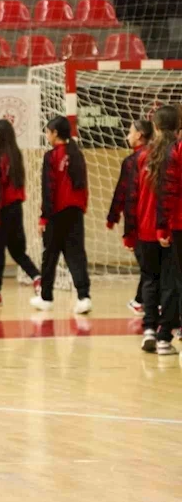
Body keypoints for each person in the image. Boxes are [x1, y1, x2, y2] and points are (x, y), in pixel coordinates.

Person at [124, 108, 180, 355]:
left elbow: (131, 196)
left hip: (146, 228)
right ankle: (165, 335)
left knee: (149, 279)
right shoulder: (175, 152)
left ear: (155, 128)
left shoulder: (141, 157)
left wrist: (129, 232)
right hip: (171, 227)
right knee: (171, 282)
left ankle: (149, 329)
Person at [30, 116, 92, 314]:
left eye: (48, 132)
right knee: (76, 255)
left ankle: (46, 298)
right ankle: (84, 297)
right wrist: (82, 207)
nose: (47, 136)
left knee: (50, 256)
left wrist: (44, 217)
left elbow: (48, 189)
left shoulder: (51, 156)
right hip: (75, 212)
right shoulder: (77, 154)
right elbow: (83, 186)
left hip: (56, 214)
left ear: (55, 133)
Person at [0, 119, 41, 307]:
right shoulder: (15, 156)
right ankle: (37, 278)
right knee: (17, 251)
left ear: (1, 135)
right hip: (16, 210)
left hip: (1, 211)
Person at [108, 121, 153, 316]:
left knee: (149, 268)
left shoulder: (133, 161)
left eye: (130, 132)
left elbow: (124, 193)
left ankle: (143, 303)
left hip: (142, 224)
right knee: (155, 267)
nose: (127, 136)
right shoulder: (160, 156)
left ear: (139, 135)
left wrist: (113, 217)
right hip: (160, 222)